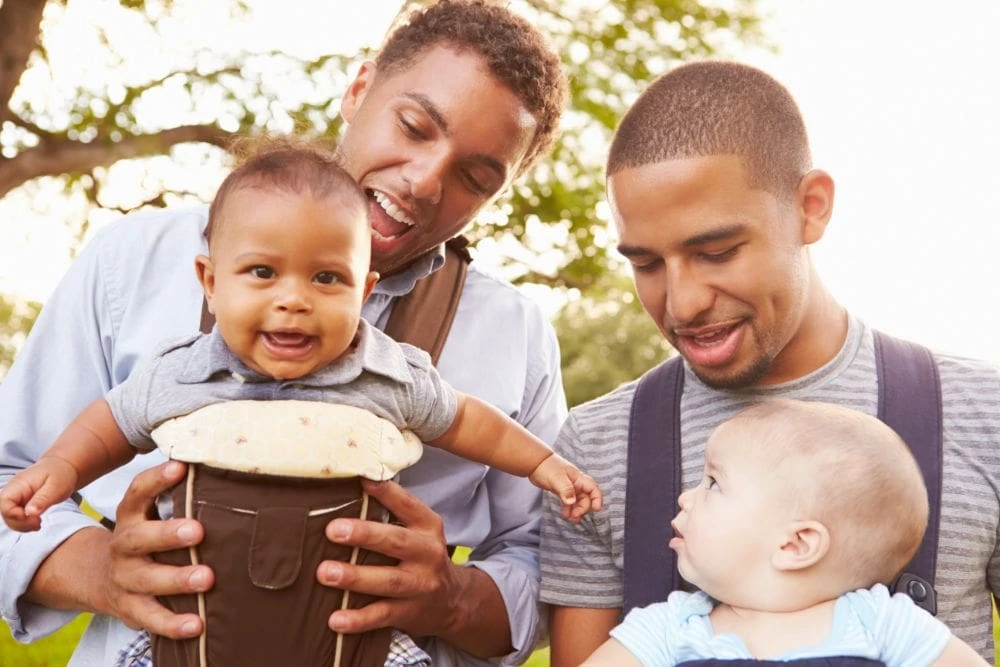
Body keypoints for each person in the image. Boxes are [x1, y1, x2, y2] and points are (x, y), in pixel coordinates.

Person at [0, 2, 570, 666]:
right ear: (357, 91)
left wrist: (451, 599)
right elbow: (14, 477)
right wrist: (102, 571)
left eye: (475, 176)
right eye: (413, 125)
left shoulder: (517, 334)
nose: (423, 180)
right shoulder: (133, 262)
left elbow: (550, 564)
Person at [538, 59, 1000, 665]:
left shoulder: (983, 417)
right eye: (646, 264)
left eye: (717, 251)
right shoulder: (593, 450)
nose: (681, 304)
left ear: (812, 207)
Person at [581, 399, 987, 666]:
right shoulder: (668, 629)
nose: (686, 497)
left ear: (795, 544)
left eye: (713, 484)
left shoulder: (883, 625)